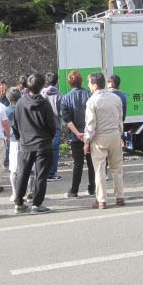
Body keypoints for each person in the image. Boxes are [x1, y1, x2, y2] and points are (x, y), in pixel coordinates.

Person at [13, 73, 57, 214]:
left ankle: (19, 202)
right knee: (41, 175)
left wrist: (21, 137)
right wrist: (49, 137)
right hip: (43, 143)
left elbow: (15, 124)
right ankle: (37, 204)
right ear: (42, 86)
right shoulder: (44, 103)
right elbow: (52, 125)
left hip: (25, 144)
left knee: (23, 173)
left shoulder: (20, 102)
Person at [84, 72, 125, 209]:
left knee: (100, 169)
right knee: (117, 168)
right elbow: (120, 119)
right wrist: (119, 135)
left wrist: (86, 141)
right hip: (114, 134)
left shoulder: (92, 101)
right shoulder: (115, 98)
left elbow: (90, 125)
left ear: (95, 85)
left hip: (99, 137)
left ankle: (101, 200)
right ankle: (120, 197)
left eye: (89, 83)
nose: (88, 85)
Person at [60, 70, 95, 198]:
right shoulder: (89, 95)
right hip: (90, 134)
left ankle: (74, 190)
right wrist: (86, 133)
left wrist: (77, 133)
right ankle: (92, 188)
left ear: (70, 83)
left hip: (75, 136)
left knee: (78, 164)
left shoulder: (65, 98)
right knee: (92, 163)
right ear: (81, 81)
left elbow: (67, 119)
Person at [41, 72, 63, 181]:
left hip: (43, 127)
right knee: (54, 151)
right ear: (56, 81)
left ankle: (43, 172)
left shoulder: (41, 94)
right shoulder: (59, 95)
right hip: (56, 126)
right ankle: (51, 174)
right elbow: (62, 112)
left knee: (44, 151)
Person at [6, 87, 22, 201]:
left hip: (14, 141)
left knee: (14, 169)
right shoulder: (25, 108)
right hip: (27, 140)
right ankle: (30, 192)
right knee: (30, 168)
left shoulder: (8, 110)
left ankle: (15, 193)